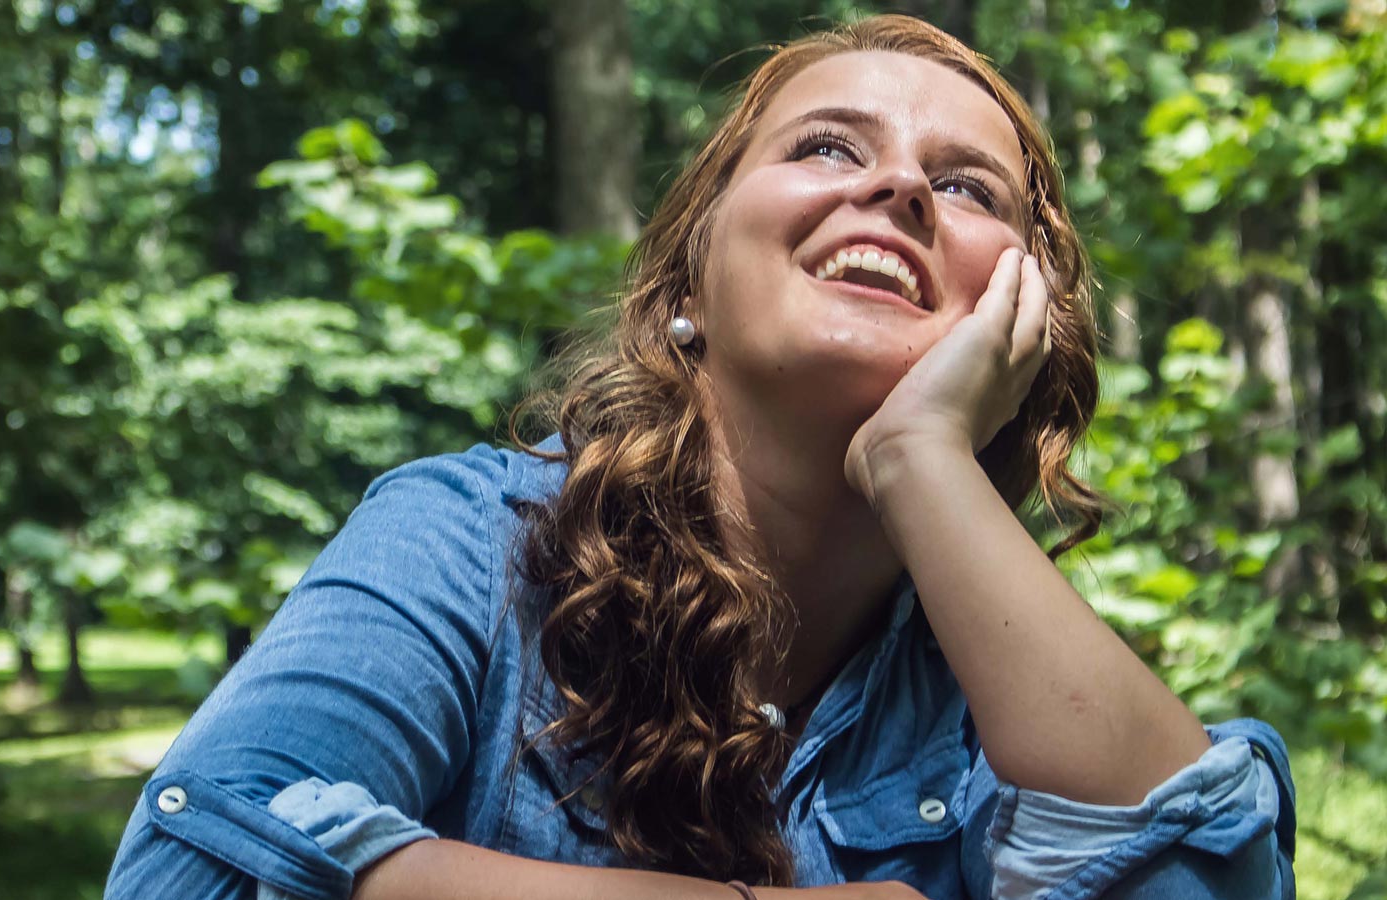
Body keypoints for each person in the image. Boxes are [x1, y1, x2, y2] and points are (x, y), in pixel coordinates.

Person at [102, 15, 1294, 900]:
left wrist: (924, 455)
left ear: (1025, 318)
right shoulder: (470, 539)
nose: (895, 188)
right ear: (690, 283)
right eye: (827, 148)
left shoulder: (1005, 698)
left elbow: (1202, 877)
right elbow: (190, 863)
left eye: (965, 185)